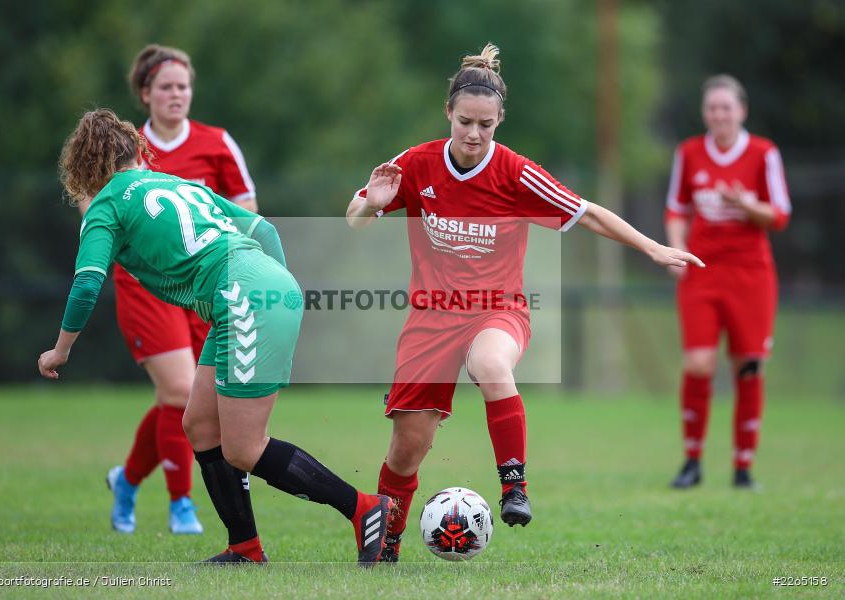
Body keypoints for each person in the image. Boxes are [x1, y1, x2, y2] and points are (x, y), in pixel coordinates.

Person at [345, 43, 704, 562]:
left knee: (491, 364)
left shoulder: (515, 173)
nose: (473, 134)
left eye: (485, 125)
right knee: (408, 447)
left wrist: (653, 248)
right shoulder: (416, 164)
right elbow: (357, 220)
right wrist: (368, 204)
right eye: (465, 121)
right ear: (448, 112)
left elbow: (589, 213)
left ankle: (514, 487)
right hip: (431, 316)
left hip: (499, 308)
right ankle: (387, 542)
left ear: (499, 122)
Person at [42, 109, 393, 565]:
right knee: (200, 425)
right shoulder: (178, 183)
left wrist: (60, 350)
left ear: (85, 168)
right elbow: (262, 228)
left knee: (244, 447)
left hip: (242, 297)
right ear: (135, 151)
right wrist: (279, 294)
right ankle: (244, 547)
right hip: (253, 290)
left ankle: (365, 508)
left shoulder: (106, 203)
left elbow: (88, 282)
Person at [95, 45, 258, 536]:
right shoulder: (124, 150)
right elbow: (99, 213)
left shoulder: (216, 142)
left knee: (185, 400)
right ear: (145, 94)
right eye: (165, 86)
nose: (176, 95)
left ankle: (126, 479)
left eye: (183, 86)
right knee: (181, 388)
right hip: (147, 287)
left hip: (203, 288)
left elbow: (246, 206)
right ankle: (181, 503)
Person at [664, 74, 791, 490]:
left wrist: (747, 204)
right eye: (712, 108)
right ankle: (692, 461)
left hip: (751, 274)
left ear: (742, 111)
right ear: (705, 113)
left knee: (749, 368)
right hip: (702, 271)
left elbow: (779, 216)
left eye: (727, 107)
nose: (719, 114)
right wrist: (676, 249)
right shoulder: (690, 152)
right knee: (699, 363)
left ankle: (742, 466)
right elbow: (675, 208)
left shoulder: (762, 153)